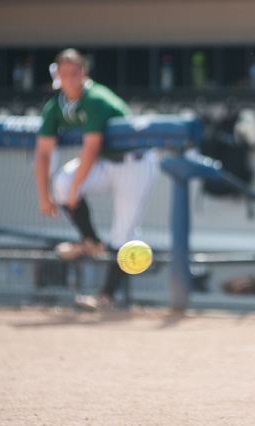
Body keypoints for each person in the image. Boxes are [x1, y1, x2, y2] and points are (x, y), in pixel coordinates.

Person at [34, 48, 157, 310]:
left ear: (83, 73)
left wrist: (75, 191)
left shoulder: (96, 98)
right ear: (57, 75)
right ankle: (90, 241)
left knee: (122, 233)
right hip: (107, 163)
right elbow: (43, 153)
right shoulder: (56, 105)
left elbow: (90, 148)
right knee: (63, 183)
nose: (69, 78)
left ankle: (106, 296)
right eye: (64, 73)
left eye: (74, 72)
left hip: (134, 163)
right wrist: (45, 197)